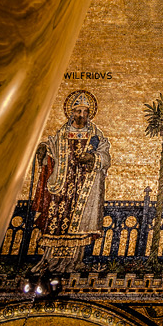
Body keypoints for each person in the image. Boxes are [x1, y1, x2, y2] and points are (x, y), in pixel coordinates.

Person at [31, 90, 111, 237]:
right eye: (78, 111)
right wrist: (44, 148)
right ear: (72, 112)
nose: (82, 115)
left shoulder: (95, 134)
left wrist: (93, 158)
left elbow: (105, 156)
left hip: (85, 183)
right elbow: (52, 149)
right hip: (63, 184)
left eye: (85, 112)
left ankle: (77, 250)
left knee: (80, 222)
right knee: (57, 219)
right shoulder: (62, 133)